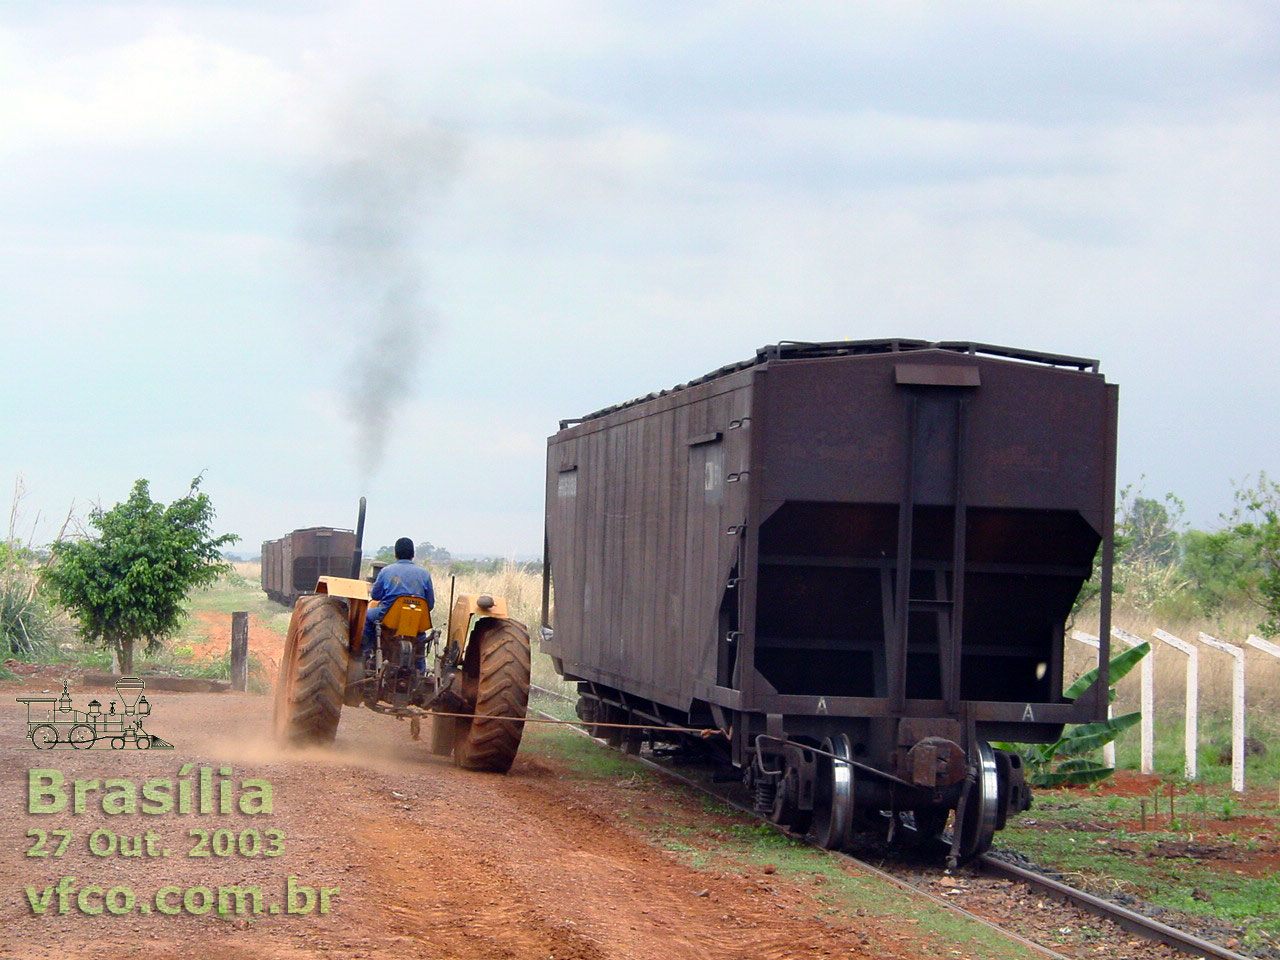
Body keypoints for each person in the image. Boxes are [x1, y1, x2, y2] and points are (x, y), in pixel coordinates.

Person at [361, 537, 436, 660]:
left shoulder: (386, 571)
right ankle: (420, 665)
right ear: (413, 554)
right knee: (420, 638)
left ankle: (365, 653)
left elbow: (375, 596)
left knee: (367, 616)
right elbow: (430, 604)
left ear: (395, 554)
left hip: (389, 617)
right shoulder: (424, 574)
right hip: (415, 620)